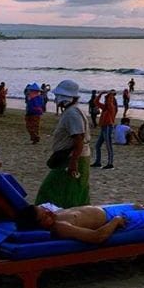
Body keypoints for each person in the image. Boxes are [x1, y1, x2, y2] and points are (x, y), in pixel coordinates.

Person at [18, 197, 144, 244]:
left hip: (107, 210)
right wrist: (115, 221)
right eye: (44, 215)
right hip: (115, 218)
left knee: (141, 207)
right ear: (40, 225)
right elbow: (97, 237)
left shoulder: (53, 217)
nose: (49, 212)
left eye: (45, 209)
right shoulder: (60, 227)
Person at [35, 80, 91, 208]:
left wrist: (73, 162)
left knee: (53, 190)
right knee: (73, 190)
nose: (56, 99)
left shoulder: (72, 113)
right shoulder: (72, 111)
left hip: (71, 157)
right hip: (72, 156)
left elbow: (79, 138)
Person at [93, 90, 119, 169]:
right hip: (104, 127)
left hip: (108, 127)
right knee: (97, 145)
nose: (105, 101)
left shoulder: (112, 108)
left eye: (106, 99)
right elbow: (96, 102)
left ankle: (110, 163)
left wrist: (110, 94)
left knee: (108, 146)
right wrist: (100, 94)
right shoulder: (105, 108)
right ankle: (98, 162)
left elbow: (109, 102)